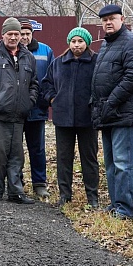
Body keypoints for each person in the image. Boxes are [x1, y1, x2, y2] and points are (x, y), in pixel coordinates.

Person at [0, 17, 39, 204]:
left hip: (19, 116)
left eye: (16, 34)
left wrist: (29, 101)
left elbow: (34, 83)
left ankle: (15, 192)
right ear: (3, 35)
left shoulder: (28, 57)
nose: (13, 37)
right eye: (10, 34)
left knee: (17, 156)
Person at [90, 4, 133, 219]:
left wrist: (111, 102)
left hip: (124, 114)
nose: (108, 23)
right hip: (108, 114)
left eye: (112, 18)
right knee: (112, 163)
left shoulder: (131, 41)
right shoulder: (107, 44)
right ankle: (116, 204)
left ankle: (127, 210)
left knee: (124, 164)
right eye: (104, 20)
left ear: (122, 19)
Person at [41, 27, 99, 209]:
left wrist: (94, 104)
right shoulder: (58, 63)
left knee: (89, 158)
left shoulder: (96, 62)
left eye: (80, 41)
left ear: (87, 43)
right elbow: (46, 84)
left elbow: (102, 84)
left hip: (87, 119)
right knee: (64, 158)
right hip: (63, 118)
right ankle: (65, 195)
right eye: (73, 41)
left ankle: (92, 197)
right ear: (69, 43)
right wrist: (53, 99)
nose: (76, 45)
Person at [18, 19, 54, 199]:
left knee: (37, 149)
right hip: (15, 110)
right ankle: (17, 182)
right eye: (21, 34)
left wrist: (47, 100)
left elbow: (51, 78)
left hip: (37, 110)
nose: (24, 37)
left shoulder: (45, 51)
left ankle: (39, 184)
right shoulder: (12, 51)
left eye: (27, 34)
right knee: (16, 149)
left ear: (32, 34)